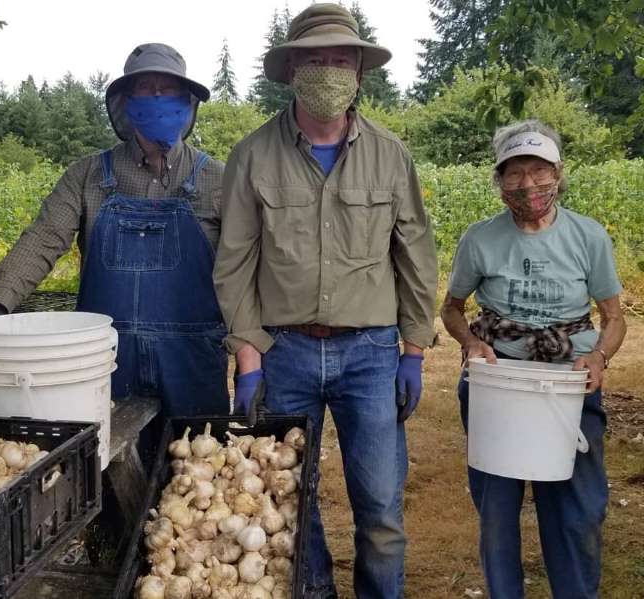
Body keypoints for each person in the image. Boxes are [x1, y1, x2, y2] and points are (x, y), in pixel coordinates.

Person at [213, 4, 438, 597]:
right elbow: (234, 262)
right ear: (291, 71)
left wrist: (413, 350)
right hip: (282, 351)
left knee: (383, 510)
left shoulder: (391, 156)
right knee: (290, 500)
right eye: (315, 59)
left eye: (341, 59)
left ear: (360, 72)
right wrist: (248, 356)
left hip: (369, 354)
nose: (329, 71)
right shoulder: (253, 156)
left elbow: (416, 254)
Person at [0, 43, 229, 417]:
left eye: (169, 90)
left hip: (192, 361)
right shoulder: (88, 176)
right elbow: (44, 238)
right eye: (147, 89)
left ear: (187, 102)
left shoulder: (219, 179)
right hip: (105, 360)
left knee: (198, 463)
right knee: (107, 465)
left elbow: (246, 263)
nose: (158, 98)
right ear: (127, 102)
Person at [440, 119, 627, 599]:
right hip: (500, 383)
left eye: (539, 170)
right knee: (497, 510)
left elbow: (613, 317)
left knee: (577, 510)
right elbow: (452, 308)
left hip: (570, 384)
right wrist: (472, 344)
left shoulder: (588, 237)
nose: (529, 185)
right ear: (498, 180)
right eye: (514, 173)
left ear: (559, 172)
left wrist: (600, 357)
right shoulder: (480, 239)